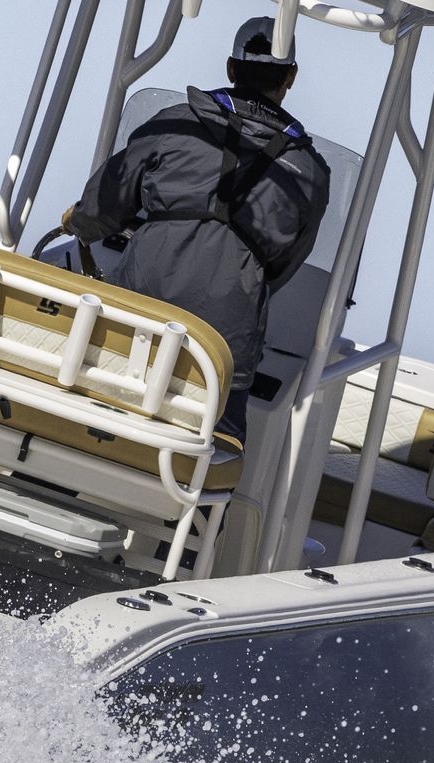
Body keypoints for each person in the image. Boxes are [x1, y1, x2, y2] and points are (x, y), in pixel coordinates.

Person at [63, 16, 331, 443]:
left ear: (230, 68)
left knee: (85, 419)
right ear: (291, 77)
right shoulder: (311, 172)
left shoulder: (174, 124)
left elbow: (104, 206)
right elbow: (282, 267)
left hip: (137, 312)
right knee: (211, 449)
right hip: (225, 345)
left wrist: (78, 222)